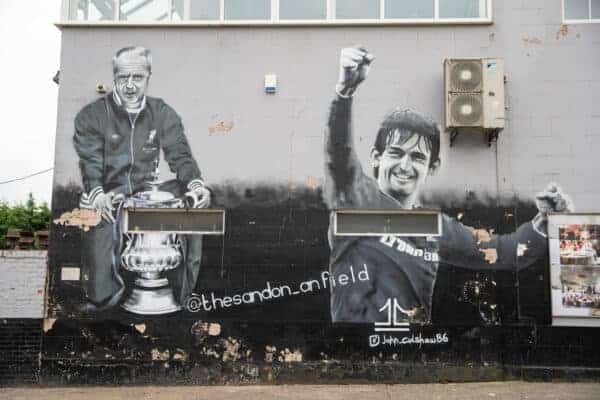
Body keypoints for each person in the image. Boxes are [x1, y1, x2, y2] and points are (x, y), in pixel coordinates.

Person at [324, 46, 573, 324]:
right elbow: (338, 151)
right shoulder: (357, 197)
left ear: (432, 167)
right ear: (376, 158)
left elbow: (504, 253)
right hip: (352, 349)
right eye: (396, 153)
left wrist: (543, 221)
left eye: (417, 157)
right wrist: (344, 93)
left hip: (412, 354)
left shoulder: (436, 227)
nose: (405, 166)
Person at [73, 46, 210, 312]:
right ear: (114, 78)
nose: (130, 85)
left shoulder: (162, 112)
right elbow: (90, 163)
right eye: (123, 77)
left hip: (148, 192)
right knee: (101, 289)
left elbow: (179, 154)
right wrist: (98, 194)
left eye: (137, 77)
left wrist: (196, 185)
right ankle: (109, 294)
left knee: (197, 198)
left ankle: (182, 291)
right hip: (109, 192)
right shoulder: (91, 116)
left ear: (149, 76)